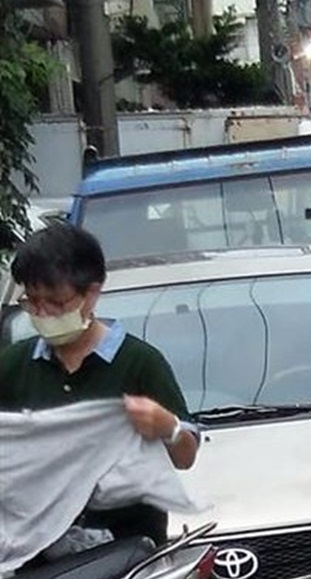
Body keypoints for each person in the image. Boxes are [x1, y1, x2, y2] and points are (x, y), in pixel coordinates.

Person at [0, 223, 199, 546]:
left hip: (128, 557)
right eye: (33, 302)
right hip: (38, 562)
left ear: (91, 292)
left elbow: (185, 457)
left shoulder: (139, 363)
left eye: (57, 302)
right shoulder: (13, 365)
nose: (43, 312)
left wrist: (168, 427)